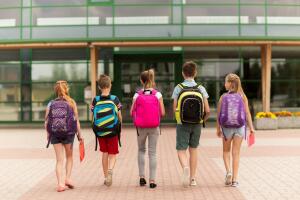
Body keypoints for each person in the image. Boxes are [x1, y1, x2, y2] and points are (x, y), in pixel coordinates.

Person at [172, 61, 210, 187]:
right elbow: (208, 110)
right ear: (196, 73)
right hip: (197, 123)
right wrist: (202, 120)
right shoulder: (201, 88)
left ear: (183, 73)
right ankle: (193, 179)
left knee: (181, 150)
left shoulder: (178, 88)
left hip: (182, 123)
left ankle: (185, 168)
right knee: (193, 149)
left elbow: (175, 108)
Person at [216, 73, 255, 187]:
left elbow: (219, 115)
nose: (224, 84)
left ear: (230, 83)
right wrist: (251, 128)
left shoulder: (223, 97)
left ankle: (228, 171)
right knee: (236, 153)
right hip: (239, 127)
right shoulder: (242, 96)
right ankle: (235, 180)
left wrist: (218, 129)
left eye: (225, 82)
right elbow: (247, 113)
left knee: (226, 151)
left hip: (227, 128)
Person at [45, 80, 83, 192]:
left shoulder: (51, 103)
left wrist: (48, 134)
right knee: (69, 157)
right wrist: (79, 135)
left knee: (59, 160)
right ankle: (67, 178)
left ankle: (60, 184)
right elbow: (76, 121)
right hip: (69, 134)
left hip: (55, 134)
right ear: (67, 89)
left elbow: (46, 121)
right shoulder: (71, 102)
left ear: (55, 91)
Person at [130, 69, 165, 189]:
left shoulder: (137, 95)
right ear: (152, 80)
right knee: (153, 153)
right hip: (154, 127)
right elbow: (163, 112)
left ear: (141, 80)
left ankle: (141, 177)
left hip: (140, 127)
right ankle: (152, 180)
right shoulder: (158, 94)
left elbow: (131, 112)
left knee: (141, 150)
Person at [91, 74, 122, 187]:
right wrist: (119, 124)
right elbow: (119, 116)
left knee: (104, 152)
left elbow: (93, 116)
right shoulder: (114, 99)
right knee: (112, 153)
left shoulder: (95, 100)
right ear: (110, 85)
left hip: (100, 131)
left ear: (99, 87)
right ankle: (110, 170)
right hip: (112, 130)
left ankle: (105, 177)